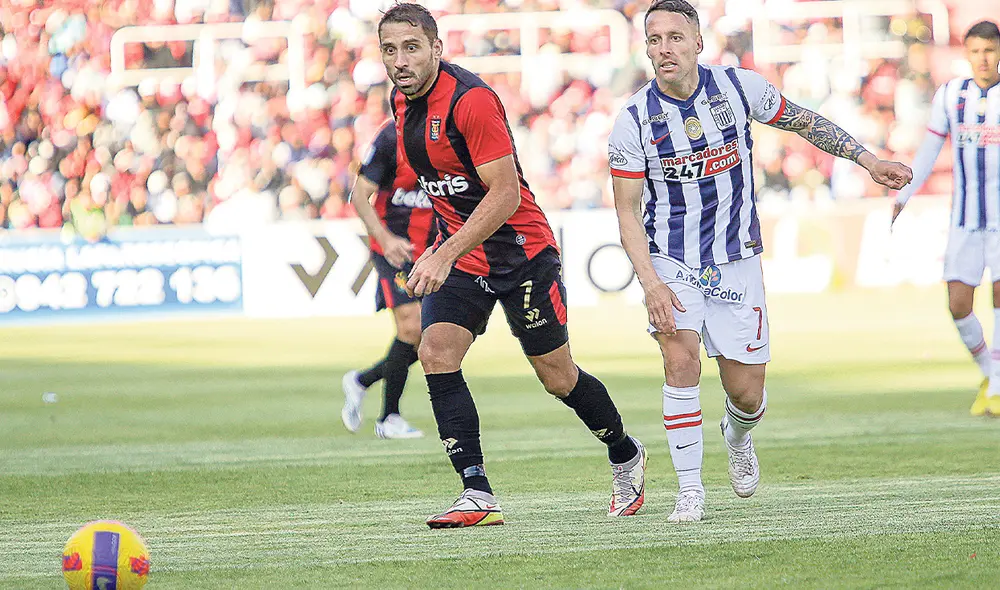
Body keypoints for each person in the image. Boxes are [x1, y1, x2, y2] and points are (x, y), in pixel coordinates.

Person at [610, 0, 912, 523]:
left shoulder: (737, 87)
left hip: (736, 261)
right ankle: (689, 492)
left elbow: (802, 120)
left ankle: (739, 433)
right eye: (655, 39)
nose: (665, 49)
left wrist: (867, 159)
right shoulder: (632, 119)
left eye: (676, 38)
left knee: (746, 393)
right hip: (672, 260)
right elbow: (627, 213)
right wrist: (652, 283)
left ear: (698, 42)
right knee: (679, 361)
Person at [378, 2, 646, 529]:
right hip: (462, 253)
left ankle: (625, 452)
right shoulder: (400, 100)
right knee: (435, 351)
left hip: (522, 254)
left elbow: (503, 195)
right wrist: (440, 244)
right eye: (390, 49)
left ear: (436, 47)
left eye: (412, 47)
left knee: (557, 376)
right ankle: (475, 491)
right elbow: (445, 187)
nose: (400, 60)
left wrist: (445, 250)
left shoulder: (471, 101)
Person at [893, 20, 1000, 417]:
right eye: (975, 51)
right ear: (966, 53)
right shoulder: (951, 95)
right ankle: (991, 373)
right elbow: (928, 149)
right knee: (958, 304)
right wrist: (904, 192)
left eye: (989, 50)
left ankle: (998, 388)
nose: (983, 58)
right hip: (965, 220)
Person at [341, 121, 436, 439]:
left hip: (435, 250)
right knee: (412, 328)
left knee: (435, 337)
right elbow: (359, 195)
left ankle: (361, 381)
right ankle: (389, 419)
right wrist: (384, 237)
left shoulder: (454, 130)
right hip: (394, 248)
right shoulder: (390, 137)